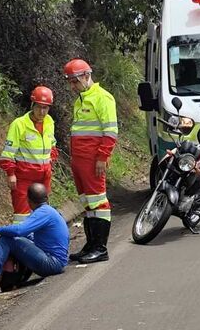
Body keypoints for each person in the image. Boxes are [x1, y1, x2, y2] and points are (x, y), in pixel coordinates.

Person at [63, 59, 118, 263]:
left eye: (74, 81)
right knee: (87, 203)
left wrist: (102, 157)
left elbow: (111, 131)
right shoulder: (81, 99)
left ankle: (100, 248)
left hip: (93, 159)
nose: (72, 86)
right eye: (69, 82)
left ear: (86, 76)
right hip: (80, 160)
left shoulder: (103, 98)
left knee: (98, 202)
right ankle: (91, 244)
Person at [0, 183, 69, 296]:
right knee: (12, 238)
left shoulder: (44, 212)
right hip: (55, 261)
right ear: (47, 197)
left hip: (52, 263)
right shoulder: (49, 211)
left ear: (29, 201)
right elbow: (29, 236)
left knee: (8, 239)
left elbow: (20, 230)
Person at [0, 86, 58, 224]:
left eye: (46, 108)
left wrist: (51, 160)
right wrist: (10, 174)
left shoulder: (49, 122)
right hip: (24, 177)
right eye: (39, 107)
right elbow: (8, 153)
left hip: (44, 177)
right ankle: (20, 243)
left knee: (42, 214)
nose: (42, 112)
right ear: (32, 105)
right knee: (22, 215)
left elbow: (52, 145)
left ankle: (38, 244)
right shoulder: (19, 124)